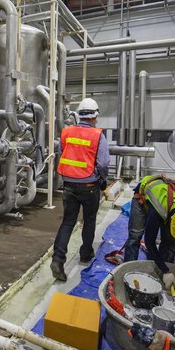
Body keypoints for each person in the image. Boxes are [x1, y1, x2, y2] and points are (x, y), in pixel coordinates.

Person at [50, 98, 110, 282]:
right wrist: (103, 180)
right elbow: (104, 163)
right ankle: (85, 254)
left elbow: (62, 154)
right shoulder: (98, 135)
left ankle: (58, 259)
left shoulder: (66, 132)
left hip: (68, 185)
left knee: (68, 222)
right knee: (89, 220)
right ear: (94, 117)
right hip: (90, 186)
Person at [124, 175, 175, 305]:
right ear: (172, 224)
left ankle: (161, 280)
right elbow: (149, 243)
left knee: (169, 245)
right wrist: (166, 271)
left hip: (168, 205)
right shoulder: (158, 211)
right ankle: (127, 274)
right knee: (135, 236)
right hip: (142, 198)